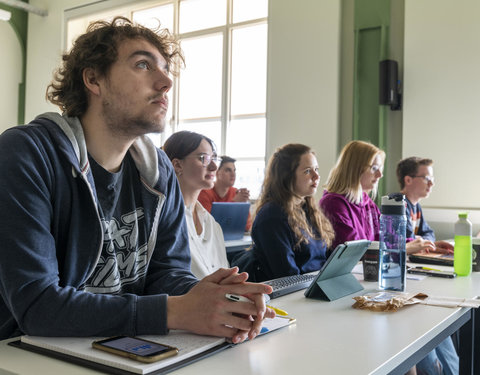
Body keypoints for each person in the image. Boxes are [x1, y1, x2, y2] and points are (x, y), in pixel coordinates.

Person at [0, 17, 274, 343]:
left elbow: (165, 273)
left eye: (166, 70)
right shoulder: (26, 154)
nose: (165, 83)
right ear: (93, 79)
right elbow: (37, 306)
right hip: (27, 355)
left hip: (118, 345)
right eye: (143, 65)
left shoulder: (155, 169)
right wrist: (176, 311)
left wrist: (219, 299)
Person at [232, 144, 335, 281]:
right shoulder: (272, 215)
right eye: (307, 171)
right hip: (291, 296)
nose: (316, 176)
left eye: (316, 169)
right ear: (287, 176)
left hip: (313, 287)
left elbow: (324, 260)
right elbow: (287, 276)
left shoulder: (308, 209)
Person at [320, 140, 432, 254]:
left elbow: (385, 238)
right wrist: (405, 248)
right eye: (374, 168)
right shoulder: (333, 203)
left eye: (380, 169)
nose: (380, 175)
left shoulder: (368, 203)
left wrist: (424, 245)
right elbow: (352, 253)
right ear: (355, 168)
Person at [163, 131, 229, 279]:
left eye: (214, 158)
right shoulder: (163, 220)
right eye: (204, 158)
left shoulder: (212, 223)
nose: (213, 167)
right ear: (177, 165)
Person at [396, 157, 454, 254]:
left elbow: (429, 233)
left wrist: (425, 241)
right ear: (408, 180)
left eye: (432, 179)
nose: (432, 183)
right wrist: (422, 242)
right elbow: (409, 240)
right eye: (427, 178)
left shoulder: (416, 206)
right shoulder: (397, 204)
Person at [198, 155, 252, 231]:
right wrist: (234, 204)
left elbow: (246, 227)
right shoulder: (204, 193)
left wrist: (243, 206)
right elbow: (209, 225)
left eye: (234, 170)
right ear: (217, 172)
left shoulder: (236, 193)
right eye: (228, 170)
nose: (233, 174)